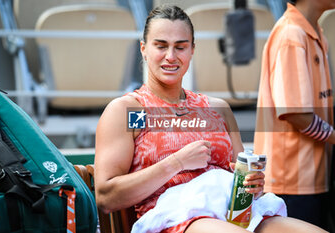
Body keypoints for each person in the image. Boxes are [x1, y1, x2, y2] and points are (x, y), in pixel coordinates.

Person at [94, 5, 327, 233]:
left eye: (180, 47)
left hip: (237, 216)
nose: (171, 56)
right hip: (175, 220)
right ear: (144, 48)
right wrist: (176, 163)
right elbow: (106, 198)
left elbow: (244, 182)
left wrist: (253, 185)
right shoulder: (131, 111)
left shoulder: (218, 109)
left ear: (192, 50)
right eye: (161, 46)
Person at [254, 0, 335, 230]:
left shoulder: (313, 32)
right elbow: (296, 114)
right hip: (291, 182)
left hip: (311, 179)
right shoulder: (291, 35)